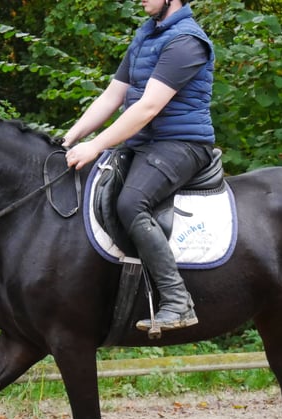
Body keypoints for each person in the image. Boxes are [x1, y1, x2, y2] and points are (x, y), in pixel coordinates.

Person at [64, 0, 215, 333]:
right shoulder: (146, 35)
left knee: (131, 203)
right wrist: (70, 138)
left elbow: (147, 107)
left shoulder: (187, 41)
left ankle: (177, 301)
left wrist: (96, 144)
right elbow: (111, 97)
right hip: (145, 144)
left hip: (182, 144)